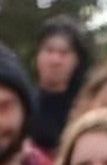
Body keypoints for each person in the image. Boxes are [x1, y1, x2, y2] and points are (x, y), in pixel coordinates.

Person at [27, 15, 91, 157]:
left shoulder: (89, 106)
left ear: (77, 60)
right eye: (49, 51)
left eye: (64, 53)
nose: (55, 60)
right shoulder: (23, 105)